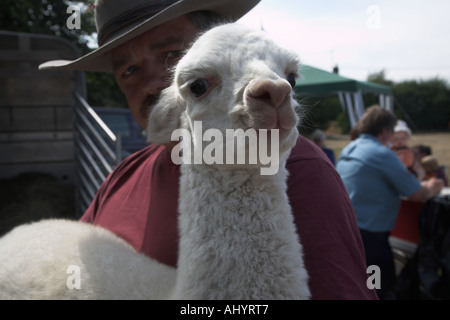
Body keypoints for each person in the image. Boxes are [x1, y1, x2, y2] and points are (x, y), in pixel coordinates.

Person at [40, 0, 377, 300]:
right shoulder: (124, 175)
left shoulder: (296, 169)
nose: (155, 82)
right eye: (129, 70)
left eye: (174, 55)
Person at [336, 105, 444, 299]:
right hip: (371, 238)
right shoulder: (381, 154)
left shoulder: (350, 148)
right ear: (385, 131)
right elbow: (417, 194)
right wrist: (434, 186)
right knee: (378, 287)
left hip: (348, 229)